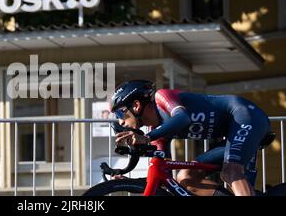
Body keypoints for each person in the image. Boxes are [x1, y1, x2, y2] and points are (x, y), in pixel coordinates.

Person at [109, 80, 271, 196]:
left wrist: (148, 137)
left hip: (244, 115)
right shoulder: (158, 134)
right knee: (185, 177)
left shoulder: (161, 97)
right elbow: (162, 175)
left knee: (231, 171)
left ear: (136, 105)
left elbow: (183, 118)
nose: (120, 121)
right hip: (230, 134)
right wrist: (130, 182)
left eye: (120, 113)